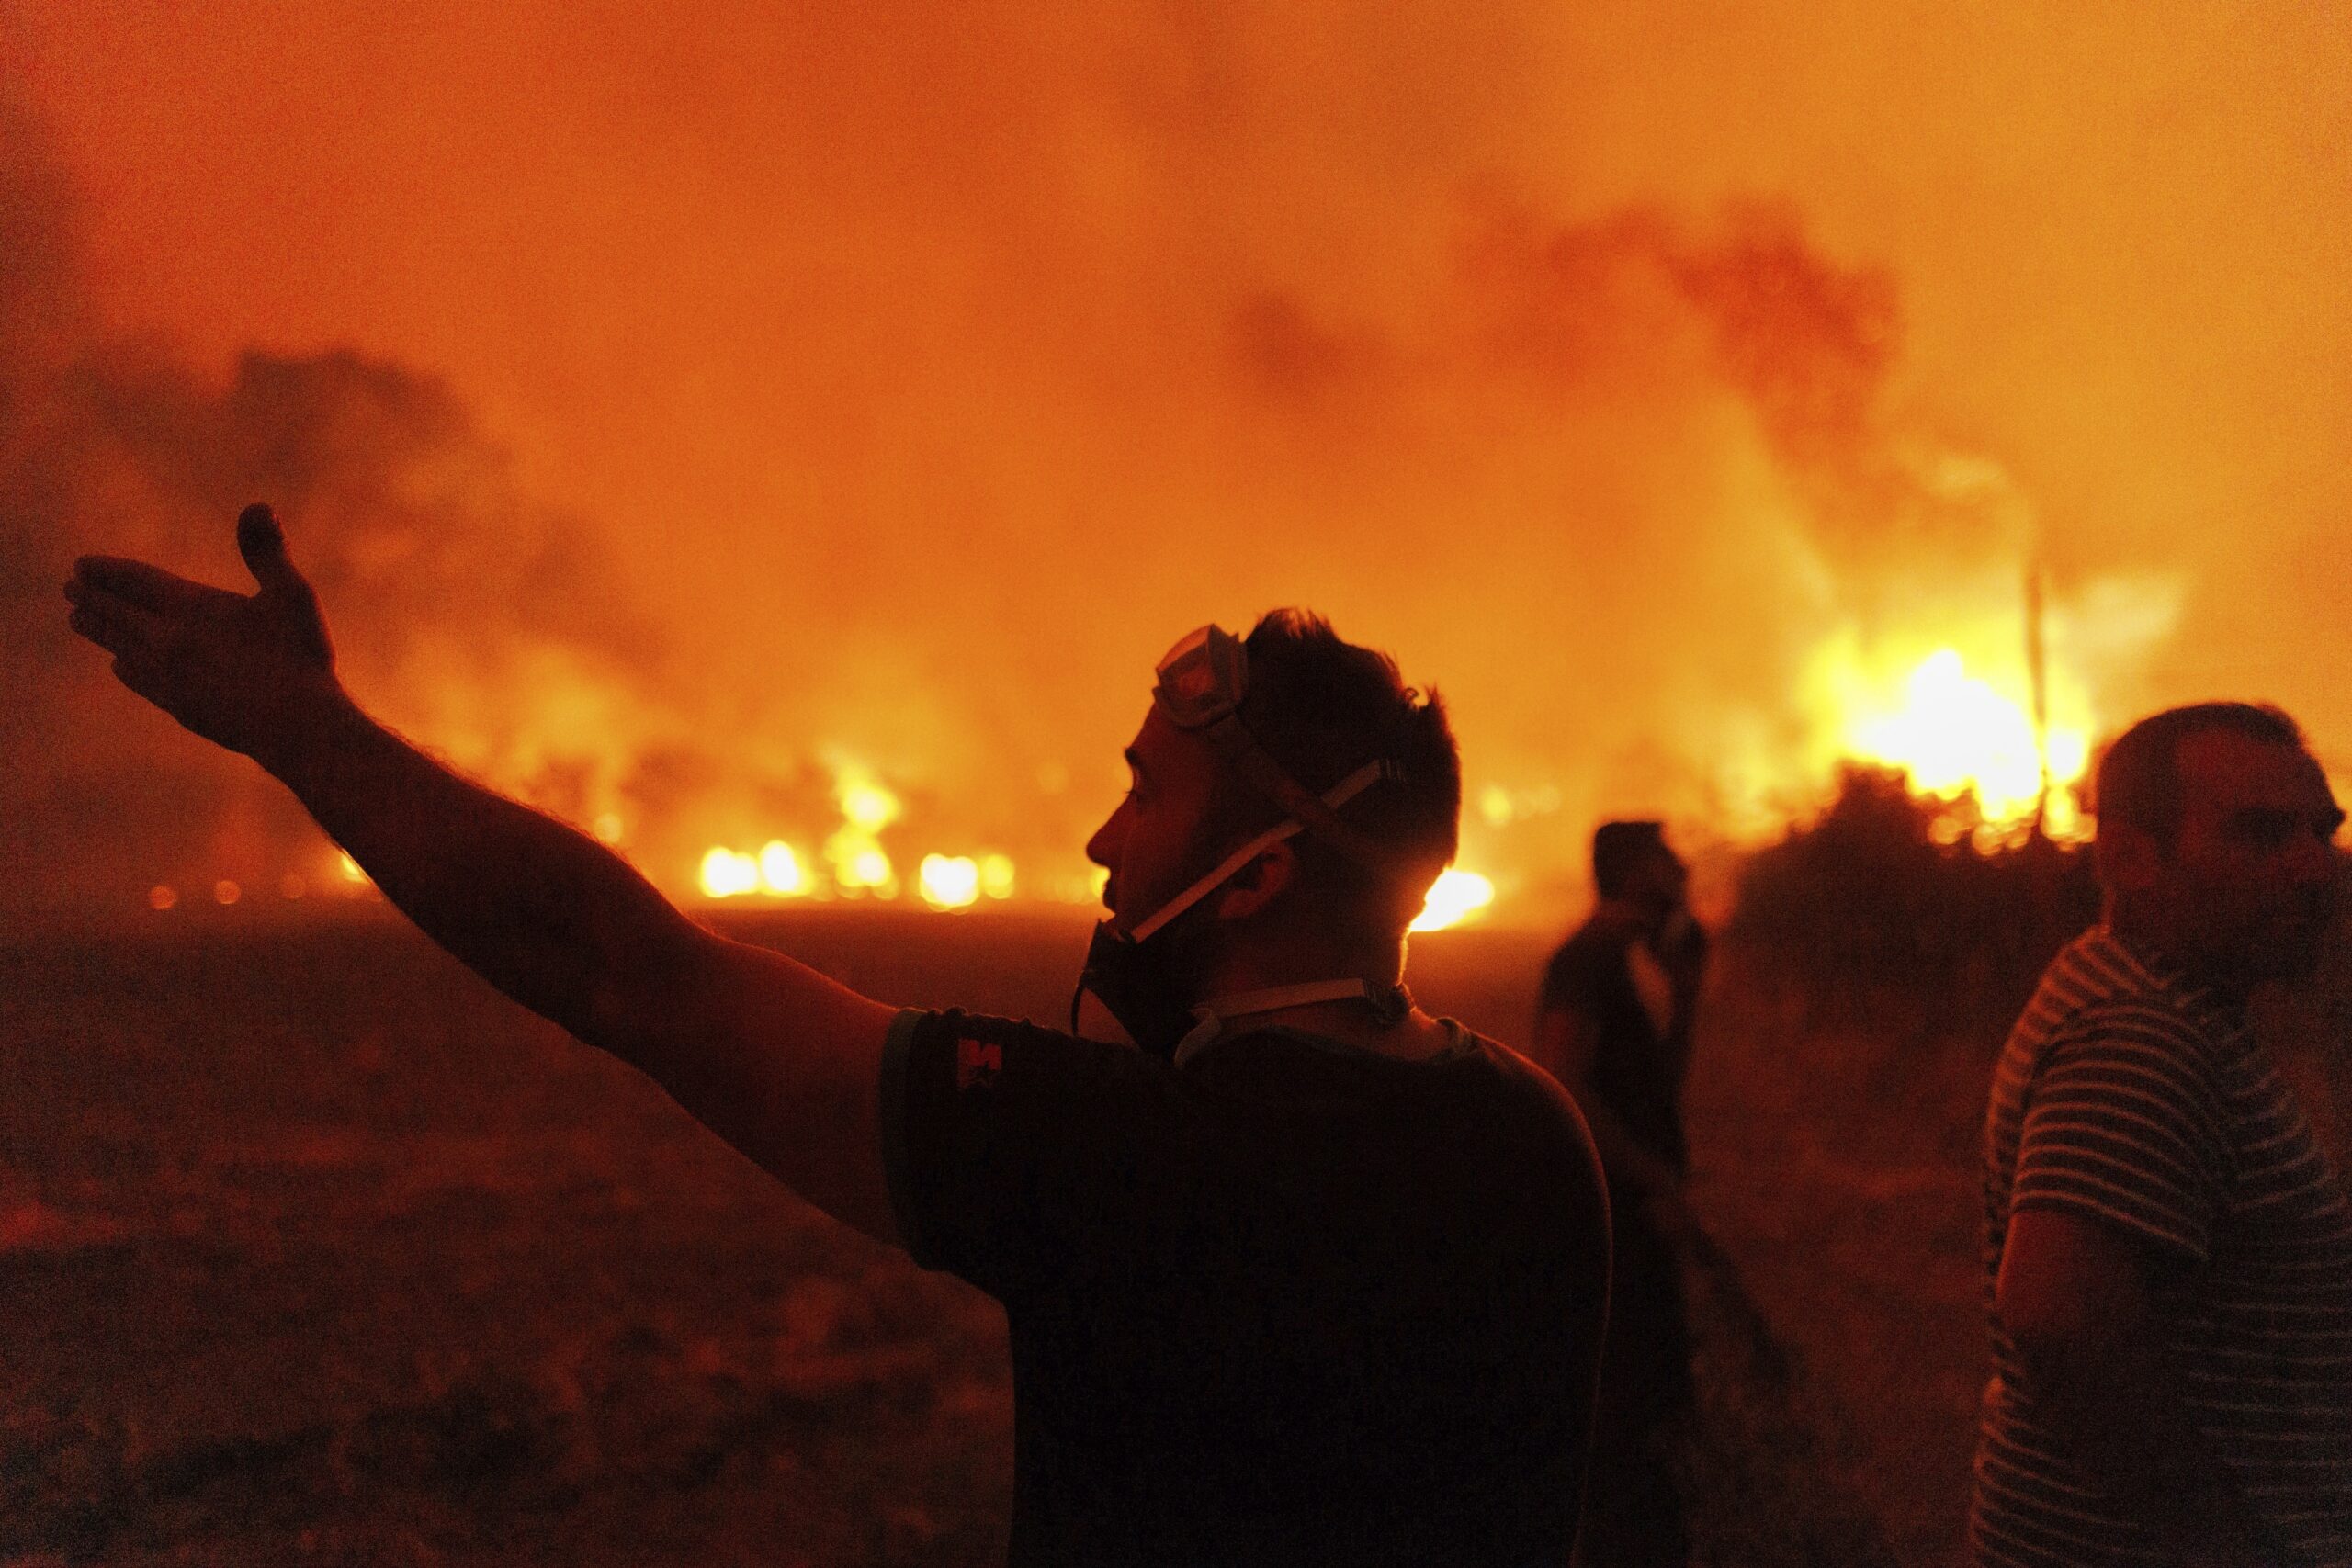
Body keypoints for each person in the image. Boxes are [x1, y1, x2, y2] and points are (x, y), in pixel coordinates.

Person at [63, 505, 1612, 1567]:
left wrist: (307, 732)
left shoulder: (1122, 1156)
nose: (1099, 841)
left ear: (1260, 872)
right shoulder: (1537, 1137)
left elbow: (630, 977)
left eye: (1147, 792)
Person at [1972, 703, 2352, 1567]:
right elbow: (2059, 1312)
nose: (2309, 868)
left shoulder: (2138, 990)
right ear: (2128, 858)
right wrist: (2218, 1542)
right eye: (2259, 835)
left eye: (2319, 832)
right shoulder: (2143, 1033)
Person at [1532, 820, 1706, 1567]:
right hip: (1616, 1229)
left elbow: (1656, 1090)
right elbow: (1563, 1088)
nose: (1684, 868)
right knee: (1625, 1438)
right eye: (1668, 857)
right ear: (1636, 869)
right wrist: (1657, 1181)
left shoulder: (1626, 963)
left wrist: (1691, 992)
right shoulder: (1588, 961)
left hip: (1641, 1221)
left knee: (1656, 1426)